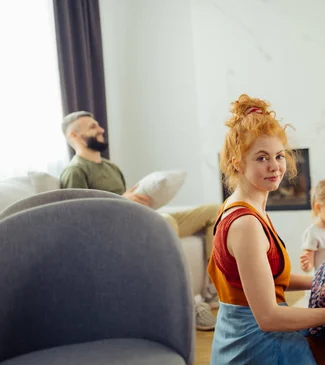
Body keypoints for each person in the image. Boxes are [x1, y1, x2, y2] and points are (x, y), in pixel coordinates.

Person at [207, 94, 325, 365]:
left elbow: (267, 279)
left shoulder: (243, 207)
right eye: (261, 157)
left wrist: (324, 281)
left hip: (239, 340)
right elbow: (268, 318)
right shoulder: (245, 224)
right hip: (255, 350)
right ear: (237, 162)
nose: (275, 166)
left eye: (279, 156)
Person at [60, 110, 219, 330]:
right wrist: (120, 200)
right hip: (115, 231)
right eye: (92, 127)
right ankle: (189, 302)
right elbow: (78, 218)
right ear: (74, 136)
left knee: (216, 211)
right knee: (165, 222)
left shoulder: (110, 167)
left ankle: (213, 288)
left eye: (98, 125)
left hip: (138, 218)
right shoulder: (75, 171)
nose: (101, 129)